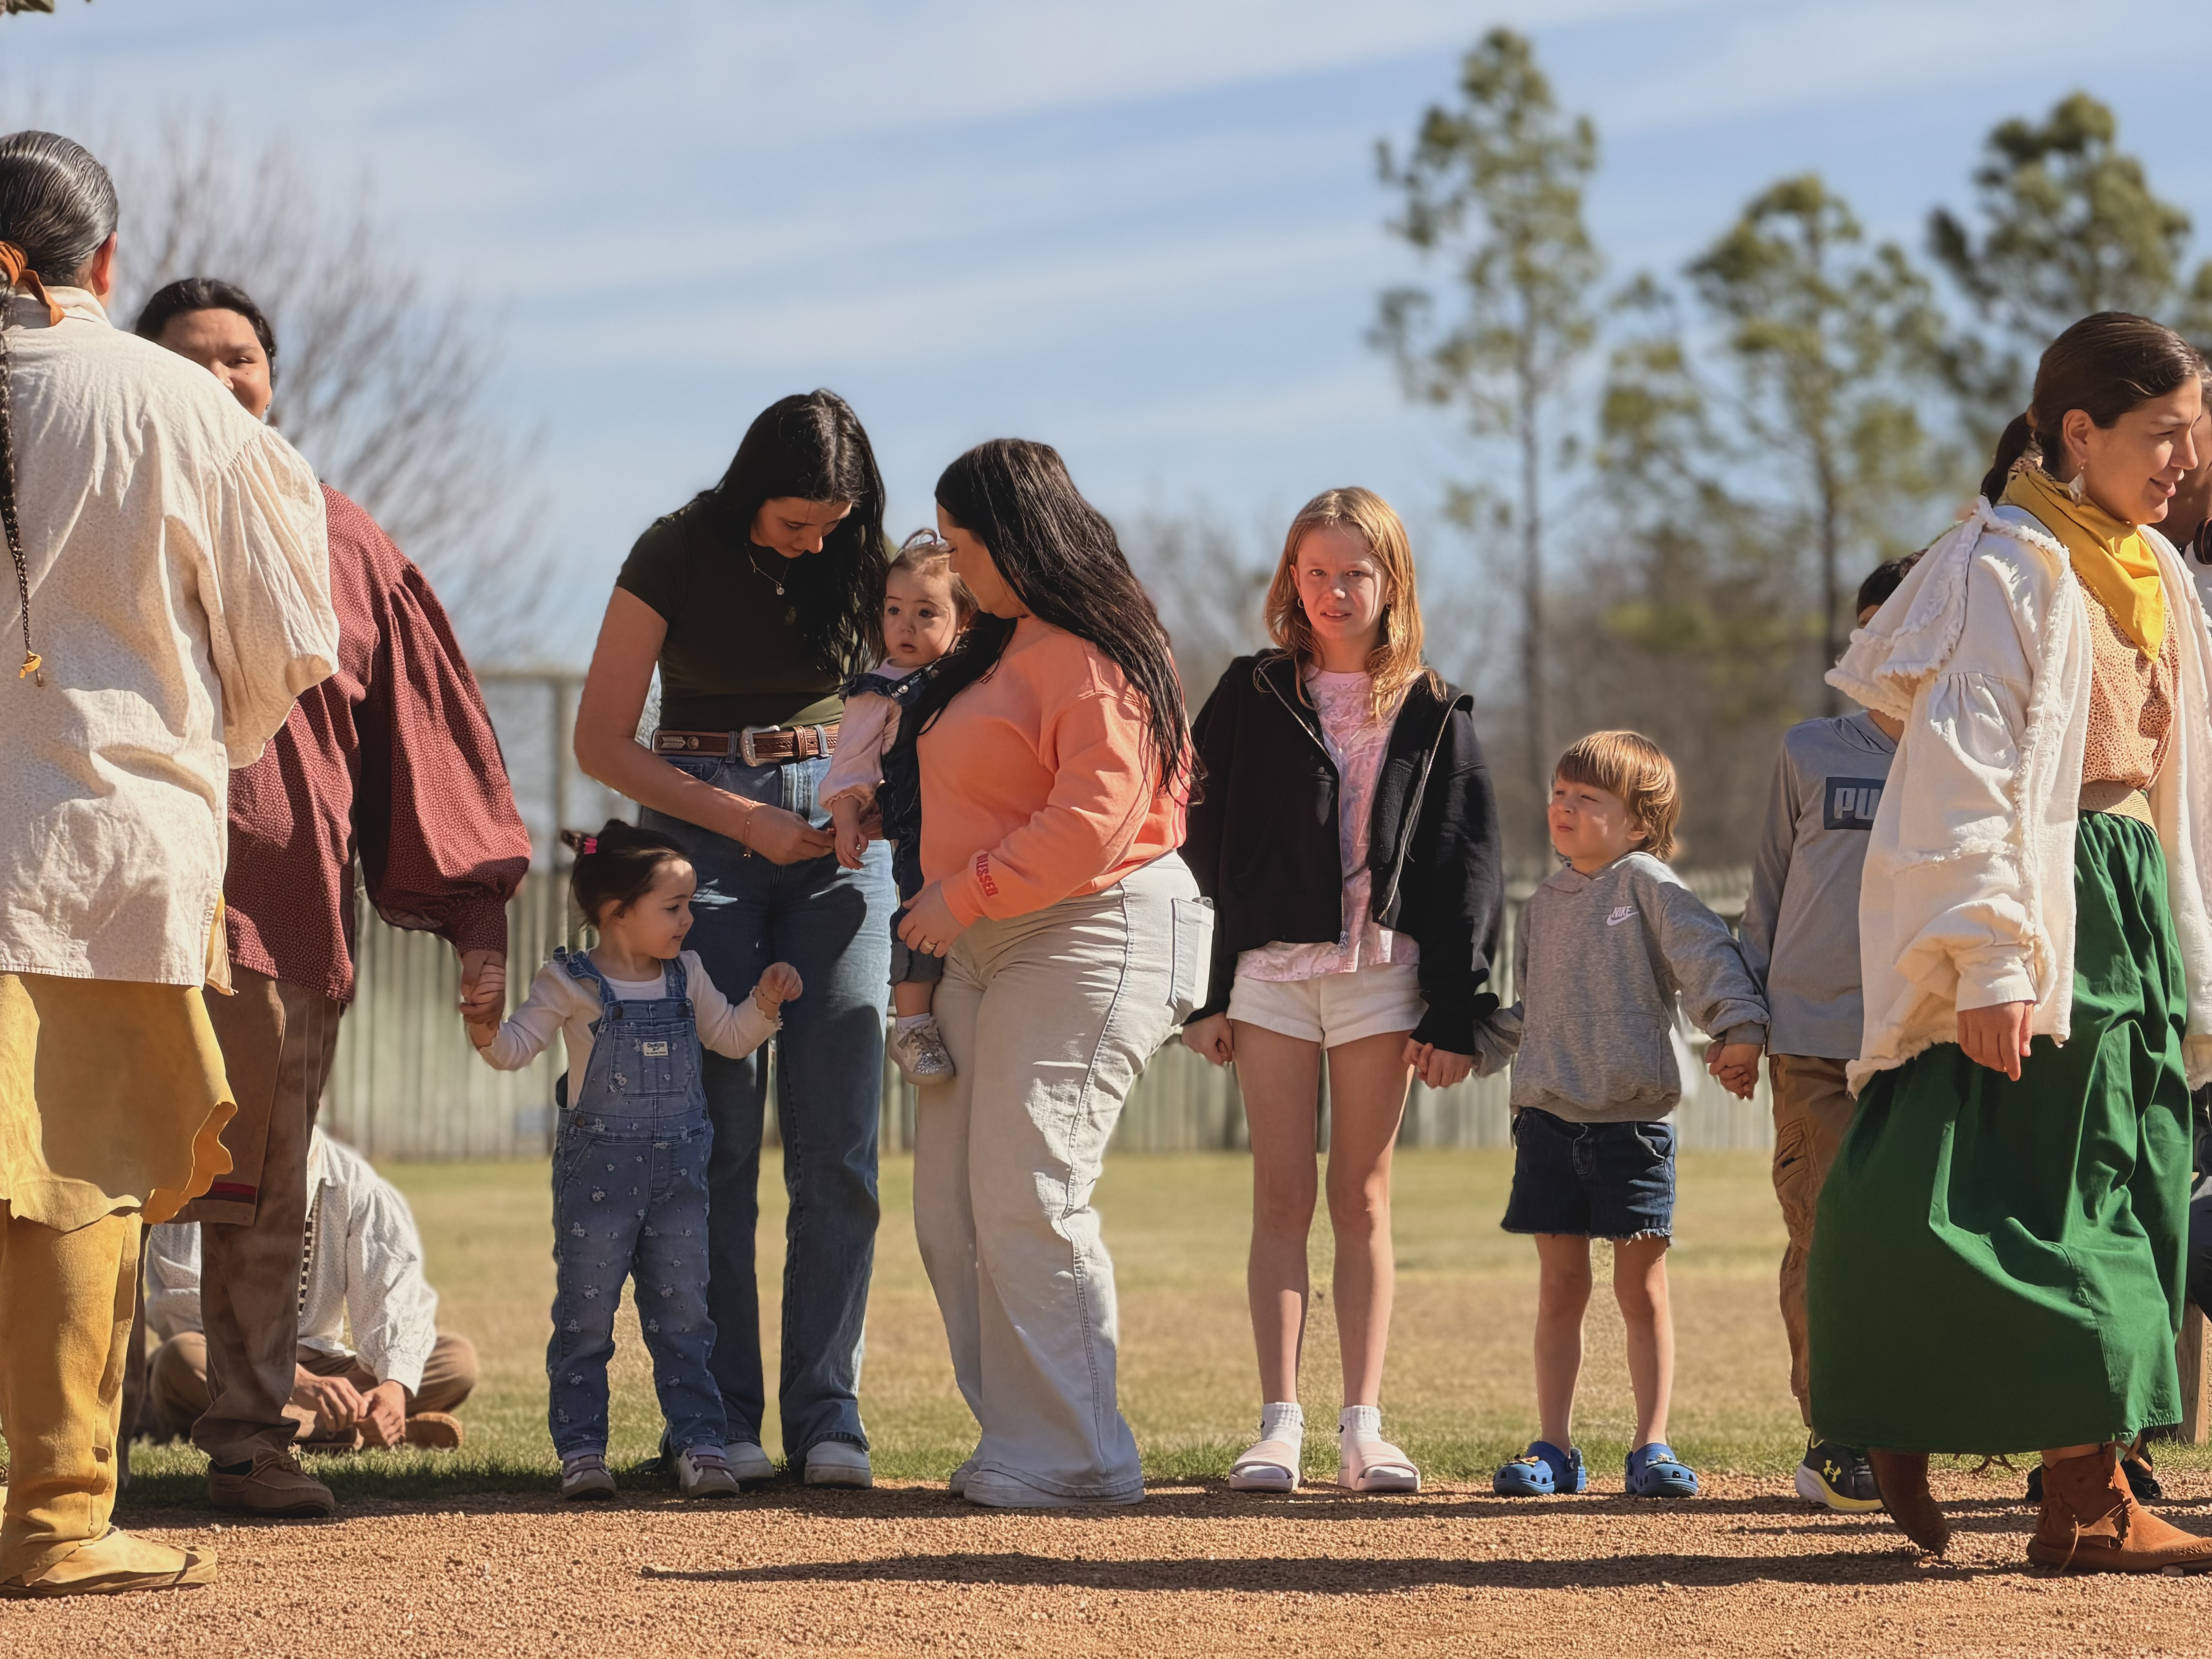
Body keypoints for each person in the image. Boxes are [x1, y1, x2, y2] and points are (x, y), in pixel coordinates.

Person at [1810, 311, 2212, 1572]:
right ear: (2076, 430)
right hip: (2048, 895)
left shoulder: (2145, 566)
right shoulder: (2001, 568)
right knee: (2005, 1177)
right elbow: (1963, 776)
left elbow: (2169, 776)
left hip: (2125, 887)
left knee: (2125, 1172)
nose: (2181, 460)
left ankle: (2077, 1491)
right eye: (2159, 433)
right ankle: (1940, 1433)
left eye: (2191, 434)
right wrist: (1988, 954)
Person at [131, 276, 529, 1520]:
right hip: (113, 907)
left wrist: (475, 916)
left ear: (273, 377)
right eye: (189, 356)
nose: (220, 374)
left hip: (278, 921)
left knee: (262, 1196)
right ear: (139, 376)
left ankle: (250, 1437)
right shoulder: (92, 515)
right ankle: (74, 1443)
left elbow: (422, 737)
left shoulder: (341, 538)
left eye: (242, 357)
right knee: (89, 1188)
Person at [0, 132, 338, 1597]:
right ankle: (58, 1517)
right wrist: (184, 742)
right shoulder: (183, 409)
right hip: (96, 849)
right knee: (75, 1183)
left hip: (74, 845)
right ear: (109, 263)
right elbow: (285, 653)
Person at [573, 392, 893, 1488]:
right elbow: (601, 742)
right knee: (711, 1138)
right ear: (751, 487)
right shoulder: (674, 546)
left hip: (840, 824)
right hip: (700, 824)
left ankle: (828, 1417)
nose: (817, 543)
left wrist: (867, 798)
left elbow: (917, 698)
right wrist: (744, 818)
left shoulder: (863, 558)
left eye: (833, 525)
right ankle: (713, 1420)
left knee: (838, 1136)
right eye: (796, 522)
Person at [905, 438, 1208, 1509]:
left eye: (961, 542)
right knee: (948, 1207)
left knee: (1029, 1188)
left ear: (1013, 537)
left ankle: (1077, 1454)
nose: (949, 565)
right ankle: (1022, 1439)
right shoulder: (997, 649)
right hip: (982, 940)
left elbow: (1096, 818)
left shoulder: (1091, 649)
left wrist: (962, 893)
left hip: (1090, 928)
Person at [1181, 486, 1501, 1495]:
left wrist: (1458, 1010)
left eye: (1352, 572)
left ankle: (1364, 1427)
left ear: (1390, 581)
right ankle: (1278, 1424)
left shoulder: (1434, 708)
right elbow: (1196, 833)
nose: (1330, 589)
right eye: (1311, 571)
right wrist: (1208, 990)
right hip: (1270, 978)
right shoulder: (1248, 691)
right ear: (1290, 579)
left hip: (1382, 981)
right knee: (1278, 1196)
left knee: (1359, 1198)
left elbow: (1469, 864)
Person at [470, 822, 802, 1501]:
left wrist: (765, 1002)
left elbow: (732, 1038)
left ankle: (701, 1443)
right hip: (598, 1182)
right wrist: (482, 1022)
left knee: (685, 1316)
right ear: (616, 911)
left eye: (688, 905)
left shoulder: (690, 974)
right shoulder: (568, 980)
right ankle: (584, 1450)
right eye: (673, 906)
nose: (688, 920)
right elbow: (511, 1049)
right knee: (585, 1320)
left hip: (680, 1181)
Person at [1475, 732, 1765, 1501]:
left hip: (1633, 1129)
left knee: (1641, 1291)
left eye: (1586, 800)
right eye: (1559, 794)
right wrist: (1466, 1048)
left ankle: (1650, 1446)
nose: (1563, 808)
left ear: (1637, 822)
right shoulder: (1541, 902)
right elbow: (1532, 1011)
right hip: (1546, 1122)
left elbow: (1708, 954)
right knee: (1559, 1289)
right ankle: (1554, 1448)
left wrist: (1737, 1027)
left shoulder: (1646, 883)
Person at [1736, 555, 1913, 1515]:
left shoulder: (1968, 755)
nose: (1888, 644)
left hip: (1931, 1036)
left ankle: (1921, 1420)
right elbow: (1765, 894)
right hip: (1815, 1039)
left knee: (1927, 1236)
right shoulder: (1810, 750)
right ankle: (1834, 1429)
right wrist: (1742, 1016)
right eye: (1871, 626)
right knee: (1825, 1232)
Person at [141, 1128, 480, 1452]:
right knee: (182, 1360)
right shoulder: (202, 1171)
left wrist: (393, 1387)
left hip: (324, 1368)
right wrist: (295, 1382)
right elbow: (186, 1307)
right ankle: (358, 1431)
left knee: (455, 1361)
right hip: (230, 1360)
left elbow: (392, 1288)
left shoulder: (350, 1179)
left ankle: (329, 1422)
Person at [823, 531, 976, 1085]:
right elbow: (852, 762)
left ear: (964, 620)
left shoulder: (977, 674)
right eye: (894, 610)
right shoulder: (880, 689)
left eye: (926, 612)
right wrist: (845, 818)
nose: (905, 626)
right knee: (918, 920)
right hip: (919, 830)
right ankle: (912, 1025)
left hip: (979, 830)